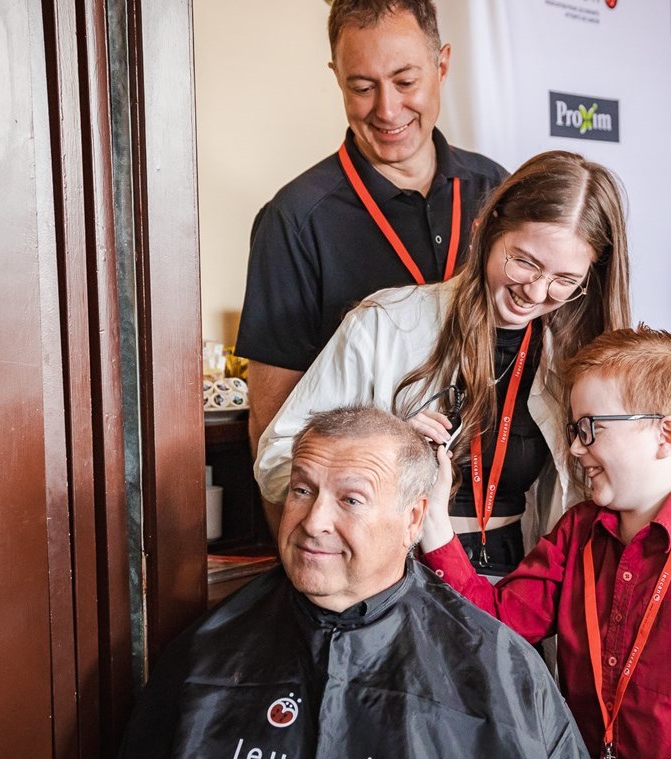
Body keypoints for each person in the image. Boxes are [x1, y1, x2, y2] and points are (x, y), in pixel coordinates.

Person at [417, 327, 671, 759]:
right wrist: (432, 518)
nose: (577, 449)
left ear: (666, 436)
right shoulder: (576, 533)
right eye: (575, 430)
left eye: (590, 428)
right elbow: (493, 624)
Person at [118, 406, 587, 758]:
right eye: (302, 490)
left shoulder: (501, 673)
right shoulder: (207, 651)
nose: (313, 520)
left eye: (351, 500)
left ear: (413, 518)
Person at [255, 150, 632, 578]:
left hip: (513, 580)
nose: (536, 291)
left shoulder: (572, 361)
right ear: (486, 230)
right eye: (525, 262)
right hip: (397, 574)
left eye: (565, 281)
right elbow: (274, 464)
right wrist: (388, 452)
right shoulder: (385, 323)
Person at [237, 0, 508, 461]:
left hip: (494, 511)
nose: (387, 109)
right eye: (362, 87)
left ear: (442, 65)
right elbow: (272, 428)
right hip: (364, 514)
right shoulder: (296, 219)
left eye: (406, 82)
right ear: (336, 76)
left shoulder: (497, 191)